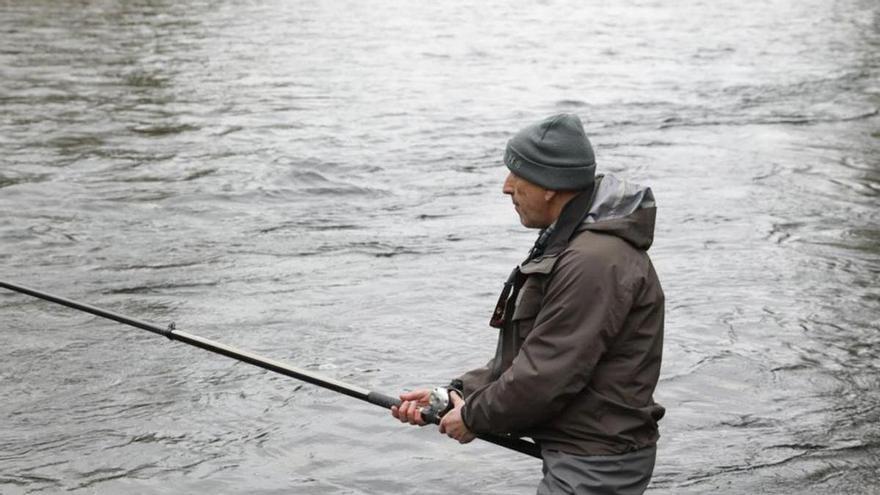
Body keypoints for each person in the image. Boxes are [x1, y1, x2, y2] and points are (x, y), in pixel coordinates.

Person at [392, 113, 665, 495]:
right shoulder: (575, 245)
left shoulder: (593, 261)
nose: (506, 188)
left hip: (596, 464)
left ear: (550, 186)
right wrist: (454, 394)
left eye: (515, 176)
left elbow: (548, 373)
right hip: (584, 456)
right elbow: (533, 356)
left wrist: (473, 416)